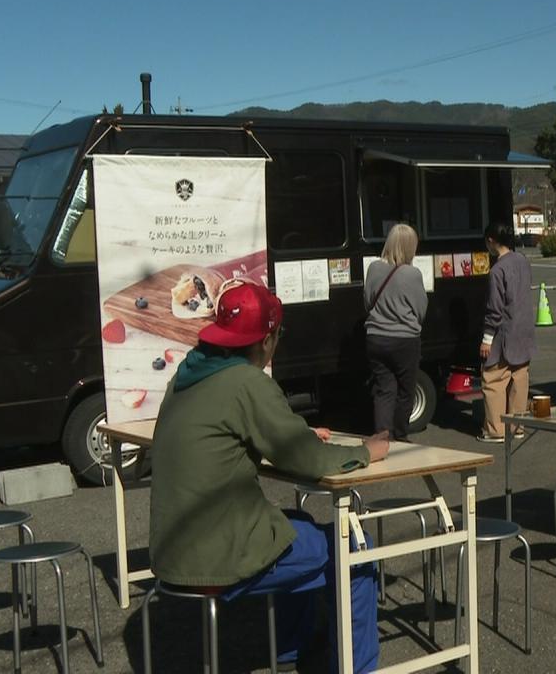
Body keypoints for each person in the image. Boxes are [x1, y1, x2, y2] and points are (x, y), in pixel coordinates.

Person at [149, 282, 390, 671]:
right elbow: (307, 460)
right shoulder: (247, 382)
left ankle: (293, 648)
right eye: (278, 335)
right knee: (357, 549)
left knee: (300, 525)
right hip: (219, 556)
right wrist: (366, 451)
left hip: (171, 551)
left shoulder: (186, 377)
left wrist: (293, 434)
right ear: (265, 340)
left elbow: (234, 433)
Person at [363, 223, 428, 440]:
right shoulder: (412, 274)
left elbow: (367, 302)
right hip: (404, 340)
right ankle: (400, 436)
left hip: (375, 337)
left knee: (383, 390)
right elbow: (421, 309)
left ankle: (382, 438)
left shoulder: (373, 268)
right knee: (405, 391)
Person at [479, 221, 535, 442]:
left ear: (491, 241)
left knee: (493, 379)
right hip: (524, 330)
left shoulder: (497, 270)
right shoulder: (522, 261)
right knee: (519, 379)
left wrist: (486, 339)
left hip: (505, 333)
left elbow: (494, 309)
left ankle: (495, 431)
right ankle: (517, 427)